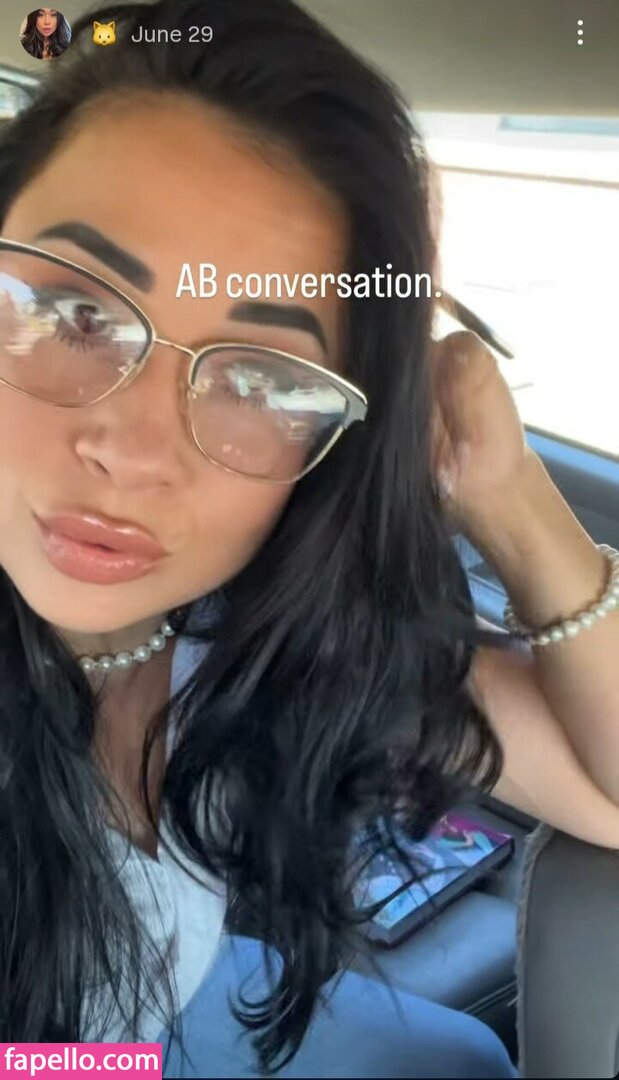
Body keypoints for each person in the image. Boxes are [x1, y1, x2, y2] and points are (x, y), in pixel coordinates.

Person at [0, 1, 618, 1077]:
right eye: (78, 313)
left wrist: (506, 492)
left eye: (261, 377)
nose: (133, 453)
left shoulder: (242, 627)